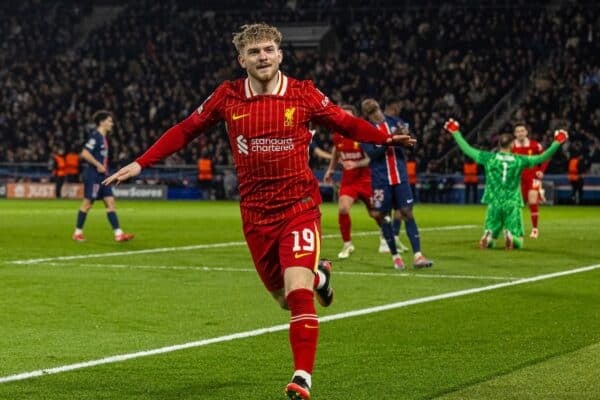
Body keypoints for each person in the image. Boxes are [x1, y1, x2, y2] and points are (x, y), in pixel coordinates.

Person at [102, 23, 415, 400]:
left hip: (299, 207)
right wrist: (141, 163)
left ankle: (302, 378)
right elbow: (186, 129)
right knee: (284, 298)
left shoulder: (304, 94)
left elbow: (345, 122)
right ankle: (321, 279)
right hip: (255, 215)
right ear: (242, 60)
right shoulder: (227, 96)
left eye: (268, 50)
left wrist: (382, 137)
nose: (263, 57)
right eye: (254, 52)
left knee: (296, 295)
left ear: (280, 54)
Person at [444, 118, 568, 249]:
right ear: (512, 145)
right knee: (518, 242)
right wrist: (557, 142)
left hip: (494, 202)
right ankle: (511, 236)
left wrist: (455, 131)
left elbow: (467, 149)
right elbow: (542, 157)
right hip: (512, 203)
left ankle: (489, 236)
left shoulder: (489, 158)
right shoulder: (519, 160)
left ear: (499, 145)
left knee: (491, 240)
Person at [360, 98, 433, 270]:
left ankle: (418, 256)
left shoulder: (395, 122)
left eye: (376, 109)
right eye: (371, 112)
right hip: (381, 181)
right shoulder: (365, 130)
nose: (375, 113)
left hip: (400, 177)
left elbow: (412, 144)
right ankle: (395, 256)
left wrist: (406, 137)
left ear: (380, 107)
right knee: (383, 216)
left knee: (407, 212)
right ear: (366, 115)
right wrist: (392, 139)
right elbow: (372, 153)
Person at [323, 104, 378, 259]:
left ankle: (385, 237)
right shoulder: (337, 134)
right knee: (343, 209)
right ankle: (347, 244)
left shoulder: (362, 133)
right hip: (348, 180)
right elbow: (336, 151)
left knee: (375, 213)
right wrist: (331, 170)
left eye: (349, 115)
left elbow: (370, 158)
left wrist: (356, 164)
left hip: (365, 179)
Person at [72, 110, 134, 243]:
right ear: (102, 122)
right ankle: (77, 233)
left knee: (110, 203)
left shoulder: (104, 138)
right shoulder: (95, 136)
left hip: (102, 177)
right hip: (94, 176)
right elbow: (84, 153)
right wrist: (98, 164)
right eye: (110, 121)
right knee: (87, 204)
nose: (112, 123)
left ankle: (118, 234)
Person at [511, 122, 547, 238]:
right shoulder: (512, 147)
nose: (520, 133)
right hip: (518, 179)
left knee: (532, 202)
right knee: (516, 205)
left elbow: (545, 157)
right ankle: (515, 229)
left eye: (522, 131)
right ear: (515, 134)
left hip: (533, 177)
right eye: (518, 131)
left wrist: (541, 170)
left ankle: (535, 229)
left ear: (526, 132)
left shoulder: (535, 145)